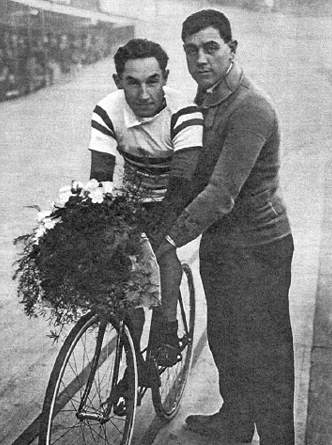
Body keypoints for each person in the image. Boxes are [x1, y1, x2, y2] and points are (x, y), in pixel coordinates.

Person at [156, 9, 295, 445]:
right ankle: (236, 421)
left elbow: (220, 193)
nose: (201, 58)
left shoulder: (250, 107)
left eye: (211, 48)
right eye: (191, 50)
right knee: (226, 341)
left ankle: (277, 438)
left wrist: (168, 239)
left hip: (260, 246)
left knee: (267, 356)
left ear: (232, 49)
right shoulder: (201, 102)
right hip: (222, 244)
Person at [89, 38, 203, 370]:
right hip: (136, 194)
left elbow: (181, 187)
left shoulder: (184, 112)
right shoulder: (107, 111)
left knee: (161, 251)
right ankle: (133, 358)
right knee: (126, 271)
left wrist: (148, 243)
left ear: (165, 77)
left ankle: (167, 327)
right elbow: (100, 180)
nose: (143, 94)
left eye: (152, 81)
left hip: (179, 195)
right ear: (117, 82)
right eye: (132, 83)